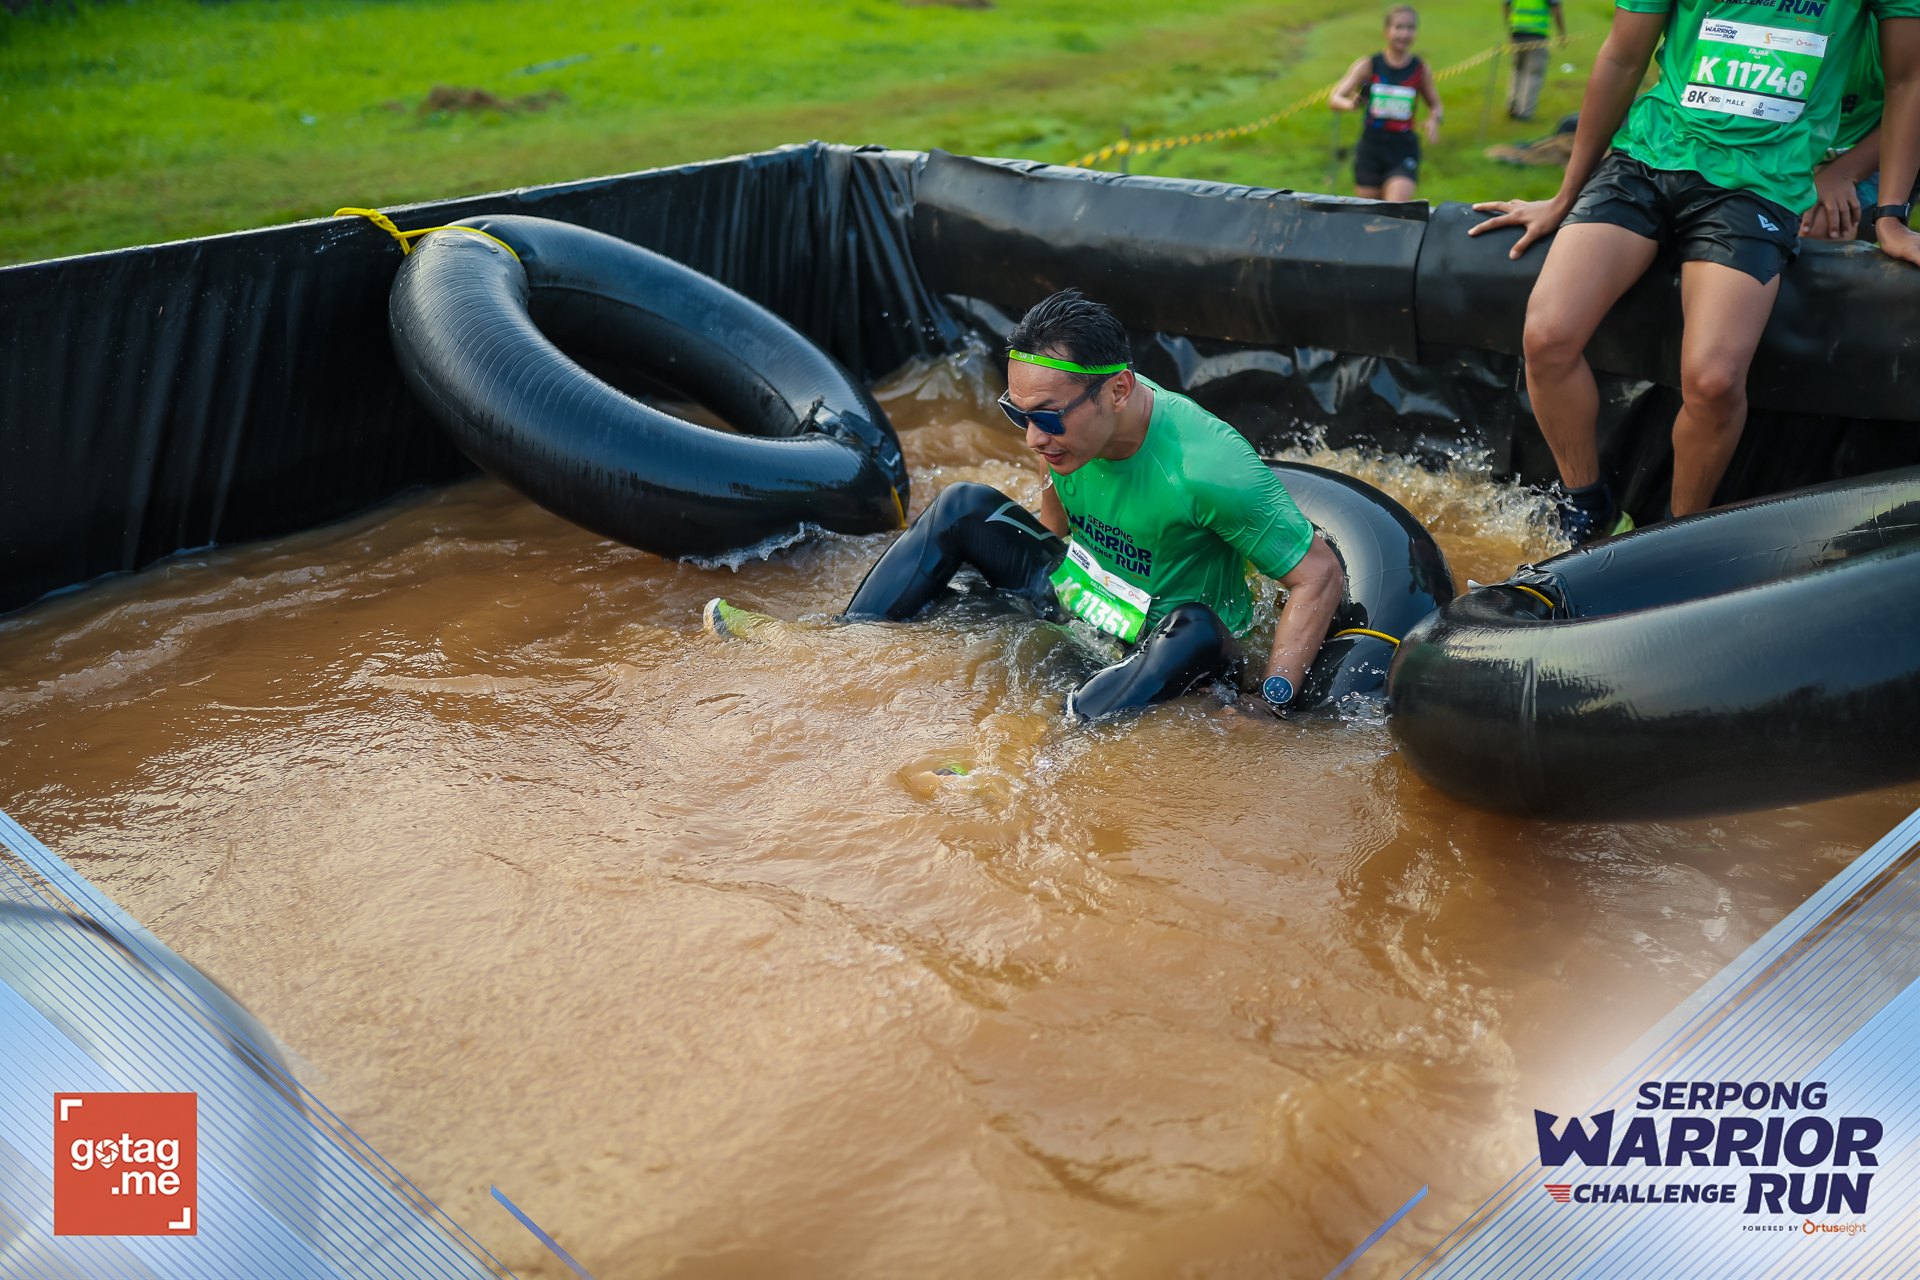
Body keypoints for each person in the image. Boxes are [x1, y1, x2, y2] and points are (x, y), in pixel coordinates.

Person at [703, 290, 1347, 724]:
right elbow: (1052, 523)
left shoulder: (1210, 468)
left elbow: (1318, 574)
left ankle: (1047, 742)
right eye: (1019, 414)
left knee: (1198, 628)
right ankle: (843, 639)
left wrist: (1273, 700)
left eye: (1047, 417)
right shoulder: (1065, 435)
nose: (1034, 438)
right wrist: (1005, 591)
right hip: (1083, 595)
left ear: (1118, 392)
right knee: (962, 504)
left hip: (1169, 642)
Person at [1468, 0, 1920, 543]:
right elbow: (1622, 57)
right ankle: (1587, 510)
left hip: (1758, 184)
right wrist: (1567, 195)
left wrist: (1890, 217)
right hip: (1646, 158)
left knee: (1713, 382)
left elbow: (1908, 79)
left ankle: (1676, 538)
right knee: (1546, 336)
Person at [1331, 6, 1445, 202]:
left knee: (1394, 209)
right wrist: (1350, 104)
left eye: (1410, 28)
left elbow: (1436, 105)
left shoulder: (1420, 69)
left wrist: (1434, 119)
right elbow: (1334, 98)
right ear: (1386, 31)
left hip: (1403, 148)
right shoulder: (1368, 65)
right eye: (1399, 27)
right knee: (1370, 213)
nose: (1405, 34)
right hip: (1371, 148)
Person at [1504, 0, 1566, 122]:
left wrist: (1509, 27)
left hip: (1517, 31)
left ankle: (1512, 105)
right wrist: (1562, 33)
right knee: (1533, 73)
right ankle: (1525, 111)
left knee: (1518, 69)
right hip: (1537, 33)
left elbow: (1506, 5)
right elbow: (1556, 9)